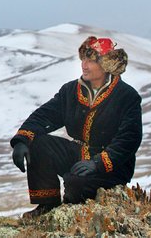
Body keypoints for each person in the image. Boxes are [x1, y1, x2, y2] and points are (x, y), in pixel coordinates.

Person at [10, 36, 142, 219]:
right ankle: (47, 205)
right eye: (83, 60)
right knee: (38, 144)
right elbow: (45, 115)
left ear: (106, 65)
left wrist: (97, 163)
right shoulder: (70, 90)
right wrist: (22, 140)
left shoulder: (126, 96)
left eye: (91, 61)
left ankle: (71, 213)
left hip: (113, 166)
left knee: (75, 182)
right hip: (79, 154)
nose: (84, 66)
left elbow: (129, 139)